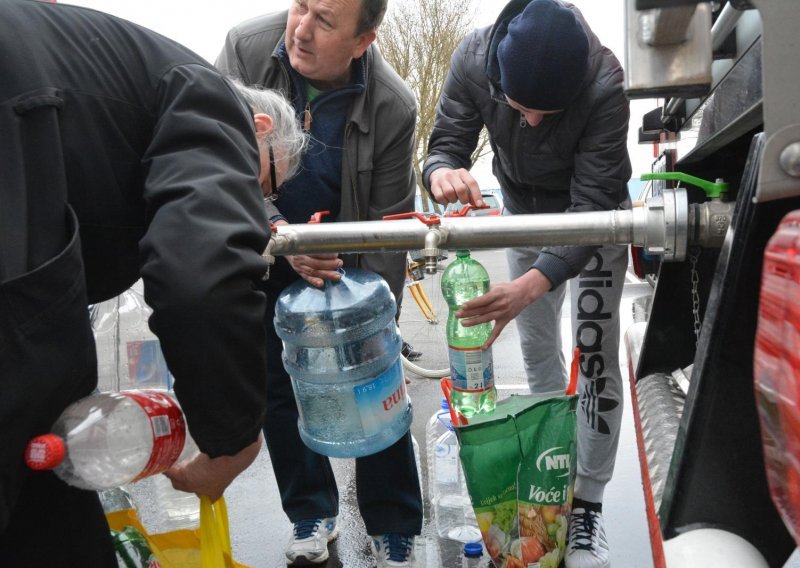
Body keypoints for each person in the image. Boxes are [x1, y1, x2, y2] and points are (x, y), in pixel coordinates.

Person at [0, 1, 306, 565]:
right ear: (257, 131)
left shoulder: (139, 93)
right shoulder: (216, 104)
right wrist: (232, 439)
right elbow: (200, 279)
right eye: (263, 185)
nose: (256, 206)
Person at [423, 1, 631, 567]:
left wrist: (531, 285)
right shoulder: (472, 59)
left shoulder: (606, 84)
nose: (533, 122)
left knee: (593, 358)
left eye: (549, 112)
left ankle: (586, 508)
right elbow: (445, 143)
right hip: (526, 218)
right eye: (520, 109)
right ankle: (552, 493)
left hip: (597, 222)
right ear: (497, 76)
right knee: (539, 354)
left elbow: (592, 202)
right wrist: (442, 170)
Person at [216, 1, 423, 566]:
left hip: (347, 263)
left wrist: (373, 320)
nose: (301, 30)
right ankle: (310, 510)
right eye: (300, 6)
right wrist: (278, 236)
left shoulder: (394, 105)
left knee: (374, 381)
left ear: (363, 40)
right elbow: (211, 157)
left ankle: (395, 520)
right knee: (279, 383)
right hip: (262, 242)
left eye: (325, 20)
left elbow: (388, 228)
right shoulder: (245, 51)